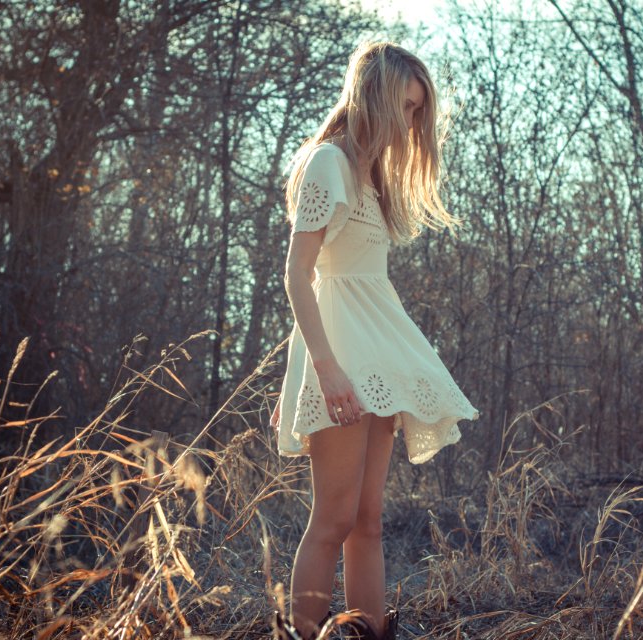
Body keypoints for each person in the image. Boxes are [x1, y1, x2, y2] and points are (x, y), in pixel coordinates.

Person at [269, 41, 478, 640]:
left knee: (368, 522)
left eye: (418, 112)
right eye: (404, 107)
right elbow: (299, 276)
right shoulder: (327, 163)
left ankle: (369, 635)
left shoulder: (371, 176)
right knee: (332, 520)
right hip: (342, 359)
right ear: (374, 98)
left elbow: (355, 280)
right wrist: (321, 371)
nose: (410, 123)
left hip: (379, 352)